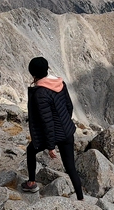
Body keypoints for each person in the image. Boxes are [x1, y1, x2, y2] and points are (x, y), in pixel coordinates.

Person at [21, 56, 84, 200]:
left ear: (33, 74)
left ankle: (31, 183)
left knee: (31, 151)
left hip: (51, 135)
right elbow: (69, 106)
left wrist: (50, 146)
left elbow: (46, 121)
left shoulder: (40, 93)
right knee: (70, 168)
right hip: (67, 131)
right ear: (47, 69)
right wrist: (65, 123)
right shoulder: (60, 83)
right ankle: (81, 198)